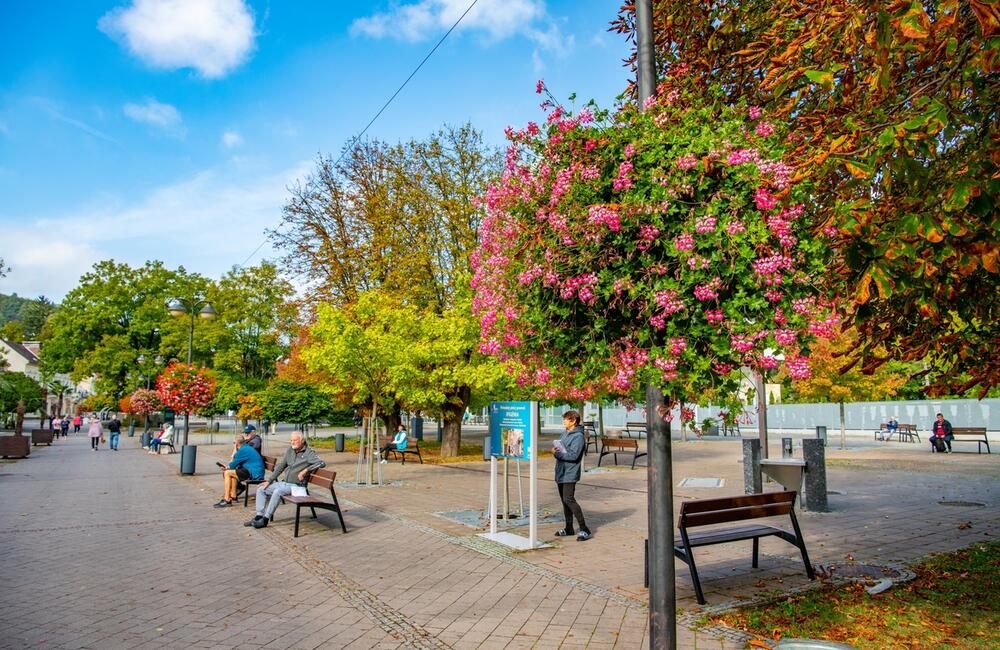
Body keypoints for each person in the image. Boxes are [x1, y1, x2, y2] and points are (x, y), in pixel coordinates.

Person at [246, 431, 325, 529]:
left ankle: (265, 519)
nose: (292, 442)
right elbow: (281, 466)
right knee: (261, 489)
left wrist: (306, 471)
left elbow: (321, 463)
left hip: (297, 486)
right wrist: (269, 481)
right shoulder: (290, 450)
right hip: (284, 483)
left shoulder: (308, 452)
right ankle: (258, 517)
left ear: (302, 441)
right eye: (291, 440)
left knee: (278, 492)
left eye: (295, 440)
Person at [552, 410, 591, 541]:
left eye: (566, 419)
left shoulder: (578, 437)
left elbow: (574, 456)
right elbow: (563, 450)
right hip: (561, 471)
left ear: (573, 421)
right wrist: (556, 450)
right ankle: (569, 528)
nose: (564, 421)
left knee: (569, 499)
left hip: (570, 472)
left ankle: (584, 528)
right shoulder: (564, 433)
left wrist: (557, 454)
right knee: (564, 501)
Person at [215, 434, 265, 508]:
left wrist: (234, 450)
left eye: (234, 443)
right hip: (254, 471)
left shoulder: (242, 450)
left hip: (254, 473)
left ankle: (227, 499)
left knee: (227, 473)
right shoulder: (246, 447)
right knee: (231, 473)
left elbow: (232, 464)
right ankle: (233, 495)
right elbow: (233, 466)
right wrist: (228, 467)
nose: (233, 444)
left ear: (237, 443)